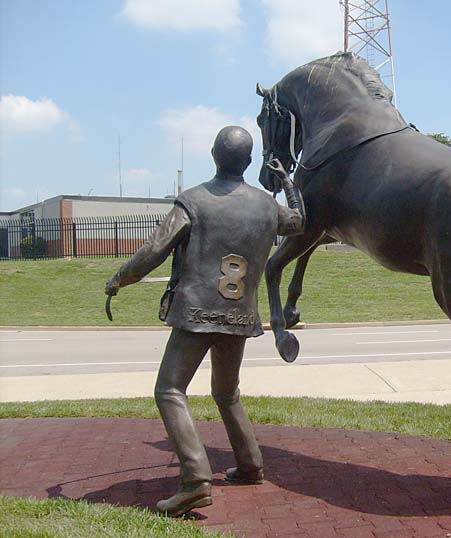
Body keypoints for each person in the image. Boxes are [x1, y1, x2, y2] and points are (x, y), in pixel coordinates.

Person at [104, 126, 304, 517]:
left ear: (213, 155)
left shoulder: (193, 201)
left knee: (169, 390)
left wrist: (118, 280)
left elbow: (155, 248)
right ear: (248, 162)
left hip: (196, 313)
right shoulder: (267, 205)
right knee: (227, 393)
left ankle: (195, 480)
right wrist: (287, 182)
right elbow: (297, 221)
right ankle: (250, 465)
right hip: (240, 312)